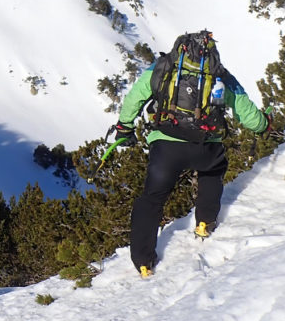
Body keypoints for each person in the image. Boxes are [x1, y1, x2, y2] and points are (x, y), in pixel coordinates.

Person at [113, 30, 270, 278]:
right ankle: (205, 223)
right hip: (206, 144)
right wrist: (265, 125)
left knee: (152, 199)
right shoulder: (219, 74)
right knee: (212, 172)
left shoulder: (163, 66)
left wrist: (125, 126)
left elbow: (136, 97)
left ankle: (144, 261)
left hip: (166, 145)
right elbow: (245, 110)